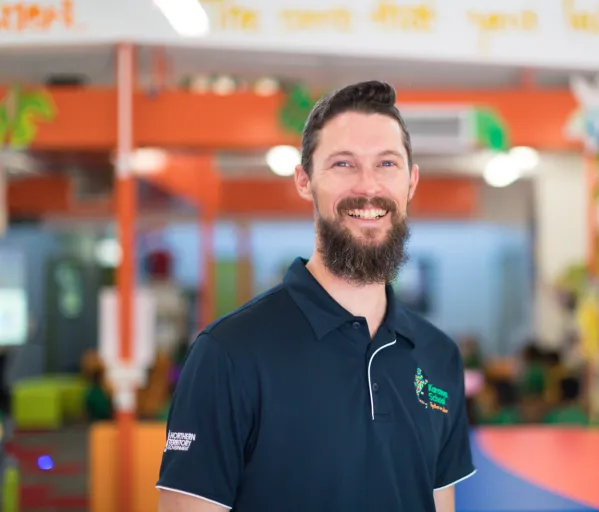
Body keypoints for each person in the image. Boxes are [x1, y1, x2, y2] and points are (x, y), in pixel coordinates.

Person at [157, 81, 475, 512]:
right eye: (343, 164)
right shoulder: (228, 355)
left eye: (386, 163)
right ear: (305, 181)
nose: (368, 187)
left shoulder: (439, 356)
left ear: (411, 181)